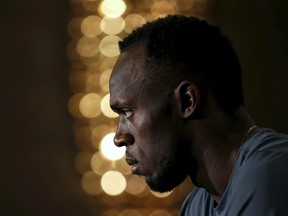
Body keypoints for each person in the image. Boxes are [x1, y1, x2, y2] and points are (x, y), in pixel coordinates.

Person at [109, 14, 288, 215]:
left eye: (127, 112)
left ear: (187, 101)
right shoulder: (196, 206)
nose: (118, 138)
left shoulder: (271, 177)